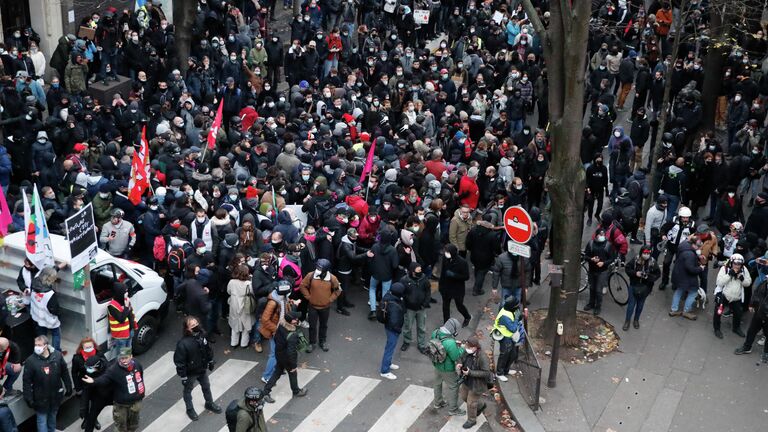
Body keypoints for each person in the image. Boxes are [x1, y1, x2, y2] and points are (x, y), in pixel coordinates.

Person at [82, 348, 145, 432]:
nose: (124, 361)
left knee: (131, 422)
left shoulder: (136, 364)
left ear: (131, 357)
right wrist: (93, 381)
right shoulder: (113, 369)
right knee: (93, 417)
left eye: (126, 358)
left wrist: (140, 394)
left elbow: (139, 377)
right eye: (122, 358)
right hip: (100, 399)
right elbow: (103, 379)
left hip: (113, 396)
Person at [173, 315, 222, 421]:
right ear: (187, 329)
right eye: (192, 325)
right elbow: (179, 362)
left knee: (206, 386)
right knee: (188, 391)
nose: (196, 326)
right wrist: (183, 377)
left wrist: (210, 360)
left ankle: (209, 403)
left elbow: (208, 350)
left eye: (196, 323)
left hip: (202, 369)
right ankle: (189, 409)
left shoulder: (202, 336)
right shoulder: (183, 344)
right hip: (191, 372)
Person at [23, 335, 72, 432]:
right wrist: (28, 398)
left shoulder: (57, 356)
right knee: (42, 421)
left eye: (39, 345)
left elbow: (64, 372)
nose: (37, 347)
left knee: (53, 416)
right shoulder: (30, 361)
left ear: (46, 346)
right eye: (35, 345)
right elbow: (27, 381)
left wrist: (68, 386)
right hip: (40, 398)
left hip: (55, 396)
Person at [262, 311, 308, 402]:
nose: (297, 320)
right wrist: (294, 366)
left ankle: (265, 392)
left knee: (277, 373)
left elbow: (275, 338)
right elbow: (291, 352)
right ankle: (296, 391)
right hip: (287, 358)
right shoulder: (293, 335)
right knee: (292, 373)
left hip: (279, 354)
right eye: (295, 319)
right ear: (291, 321)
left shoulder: (281, 326)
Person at [299, 258, 341, 352]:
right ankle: (312, 343)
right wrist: (309, 297)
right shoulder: (311, 275)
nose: (317, 269)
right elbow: (302, 286)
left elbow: (338, 290)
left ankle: (322, 341)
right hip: (312, 307)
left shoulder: (332, 278)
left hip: (325, 307)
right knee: (312, 326)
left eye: (320, 268)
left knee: (323, 325)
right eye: (317, 267)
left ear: (326, 270)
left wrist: (330, 299)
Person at [259, 280, 296, 386]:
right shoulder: (273, 302)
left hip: (281, 328)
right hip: (276, 331)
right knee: (274, 354)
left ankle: (278, 369)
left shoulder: (282, 298)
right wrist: (276, 330)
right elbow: (265, 320)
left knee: (281, 351)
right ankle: (266, 376)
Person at [455, 337, 492, 429]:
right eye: (467, 347)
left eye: (470, 347)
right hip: (466, 380)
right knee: (464, 397)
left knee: (471, 403)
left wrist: (470, 372)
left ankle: (472, 420)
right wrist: (459, 363)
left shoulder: (483, 357)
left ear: (475, 347)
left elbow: (486, 373)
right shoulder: (467, 351)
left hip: (476, 384)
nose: (467, 349)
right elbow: (460, 358)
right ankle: (481, 406)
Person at [431, 318, 466, 416]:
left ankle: (438, 402)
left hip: (436, 364)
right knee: (454, 387)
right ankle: (453, 409)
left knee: (437, 384)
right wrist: (461, 348)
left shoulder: (436, 332)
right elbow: (456, 356)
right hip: (447, 369)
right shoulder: (450, 342)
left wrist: (454, 342)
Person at [70, 337, 106, 429]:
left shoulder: (99, 354)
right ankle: (86, 419)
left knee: (95, 404)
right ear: (82, 347)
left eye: (90, 346)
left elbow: (106, 365)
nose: (88, 348)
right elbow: (74, 373)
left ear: (93, 346)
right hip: (84, 385)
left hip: (96, 383)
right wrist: (78, 388)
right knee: (84, 405)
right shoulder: (77, 358)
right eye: (86, 347)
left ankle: (94, 420)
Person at [713, 254, 751, 339]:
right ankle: (717, 329)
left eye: (739, 264)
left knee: (738, 313)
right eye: (735, 263)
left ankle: (736, 328)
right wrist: (729, 275)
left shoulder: (744, 270)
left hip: (736, 297)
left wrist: (742, 278)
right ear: (731, 262)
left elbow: (748, 283)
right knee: (718, 313)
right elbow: (719, 282)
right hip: (724, 296)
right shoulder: (724, 269)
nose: (737, 266)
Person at [669, 236, 706, 320]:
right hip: (686, 277)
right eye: (698, 246)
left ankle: (674, 309)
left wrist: (697, 257)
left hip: (679, 273)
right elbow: (691, 269)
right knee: (693, 292)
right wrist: (700, 268)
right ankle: (686, 311)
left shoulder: (684, 246)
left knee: (679, 291)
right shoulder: (690, 254)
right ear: (693, 244)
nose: (699, 248)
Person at [29, 267, 65, 354]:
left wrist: (58, 267)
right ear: (50, 278)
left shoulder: (34, 282)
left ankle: (43, 350)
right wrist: (60, 315)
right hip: (48, 318)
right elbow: (54, 309)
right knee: (56, 333)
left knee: (42, 335)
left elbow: (47, 272)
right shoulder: (49, 294)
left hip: (37, 316)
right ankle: (56, 353)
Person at [623, 247, 660, 330]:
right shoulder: (635, 260)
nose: (646, 255)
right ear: (641, 253)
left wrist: (648, 277)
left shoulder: (653, 262)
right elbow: (627, 268)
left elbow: (657, 274)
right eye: (644, 253)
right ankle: (627, 321)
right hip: (634, 285)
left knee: (640, 305)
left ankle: (636, 320)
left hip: (645, 288)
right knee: (631, 305)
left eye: (648, 253)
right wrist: (635, 273)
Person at [367, 228, 399, 320]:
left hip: (375, 273)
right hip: (387, 275)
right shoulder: (392, 250)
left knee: (372, 289)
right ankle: (383, 311)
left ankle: (373, 311)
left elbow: (370, 259)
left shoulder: (375, 247)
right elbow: (395, 265)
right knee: (386, 294)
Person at [735, 278, 768, 363]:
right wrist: (752, 304)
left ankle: (766, 353)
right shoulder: (764, 283)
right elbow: (756, 293)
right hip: (758, 313)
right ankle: (747, 347)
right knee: (751, 331)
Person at [400, 263, 431, 354]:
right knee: (407, 327)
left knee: (421, 327)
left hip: (421, 308)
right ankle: (406, 342)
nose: (420, 272)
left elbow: (428, 292)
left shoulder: (424, 279)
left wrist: (425, 304)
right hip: (409, 309)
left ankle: (421, 345)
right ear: (412, 271)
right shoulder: (404, 280)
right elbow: (401, 294)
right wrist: (404, 307)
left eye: (420, 270)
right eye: (418, 271)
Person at [493, 296, 524, 382]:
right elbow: (513, 328)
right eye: (517, 305)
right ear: (512, 306)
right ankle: (499, 373)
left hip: (510, 336)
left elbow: (517, 317)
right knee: (504, 355)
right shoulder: (504, 316)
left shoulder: (510, 309)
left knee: (513, 354)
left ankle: (506, 370)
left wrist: (520, 316)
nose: (518, 307)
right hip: (504, 337)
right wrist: (517, 318)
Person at [583, 228, 614, 315]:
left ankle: (598, 306)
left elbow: (611, 258)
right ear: (596, 235)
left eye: (603, 234)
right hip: (592, 270)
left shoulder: (608, 245)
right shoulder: (591, 243)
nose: (602, 236)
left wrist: (603, 263)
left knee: (598, 290)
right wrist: (591, 259)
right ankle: (591, 303)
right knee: (592, 288)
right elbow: (586, 256)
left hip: (602, 271)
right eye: (600, 234)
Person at [439, 244, 472, 327]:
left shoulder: (462, 262)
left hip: (457, 289)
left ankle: (467, 317)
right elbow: (443, 273)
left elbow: (466, 276)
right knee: (445, 307)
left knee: (459, 305)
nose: (445, 253)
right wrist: (441, 286)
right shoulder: (445, 259)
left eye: (447, 252)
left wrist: (454, 275)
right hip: (446, 287)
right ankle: (446, 324)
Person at [379, 282, 405, 380]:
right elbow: (394, 321)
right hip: (392, 329)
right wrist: (398, 330)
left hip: (388, 326)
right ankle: (384, 371)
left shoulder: (389, 297)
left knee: (389, 347)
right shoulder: (394, 305)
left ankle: (388, 363)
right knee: (389, 348)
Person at [79, 355, 110, 432]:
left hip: (108, 395)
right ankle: (88, 421)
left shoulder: (109, 369)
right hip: (95, 396)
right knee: (91, 417)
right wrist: (83, 407)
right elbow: (86, 390)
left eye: (89, 368)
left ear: (97, 365)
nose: (87, 370)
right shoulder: (88, 372)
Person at [227, 264, 255, 348]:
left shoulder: (231, 282)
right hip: (245, 304)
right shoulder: (249, 284)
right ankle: (244, 343)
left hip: (234, 303)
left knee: (235, 323)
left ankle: (234, 342)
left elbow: (228, 291)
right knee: (246, 324)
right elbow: (252, 293)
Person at [108, 283, 137, 358]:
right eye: (125, 291)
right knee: (122, 356)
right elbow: (121, 319)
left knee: (127, 352)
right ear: (119, 292)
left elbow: (131, 315)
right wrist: (126, 307)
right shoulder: (111, 306)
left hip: (129, 332)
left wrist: (134, 327)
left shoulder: (125, 300)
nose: (127, 293)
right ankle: (122, 367)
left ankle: (127, 365)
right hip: (121, 336)